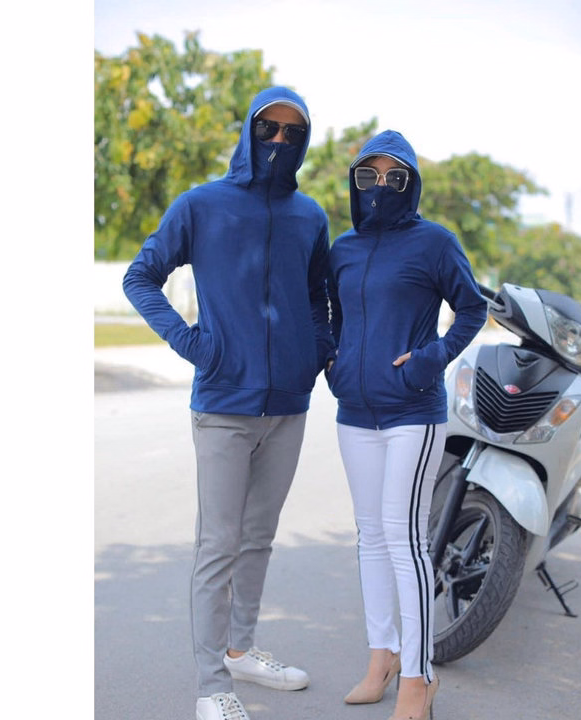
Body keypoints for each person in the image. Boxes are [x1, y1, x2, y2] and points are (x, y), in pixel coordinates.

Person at [122, 86, 334, 720]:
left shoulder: (309, 216)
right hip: (222, 403)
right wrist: (194, 345)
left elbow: (319, 296)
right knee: (218, 545)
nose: (279, 141)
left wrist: (315, 353)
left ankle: (241, 652)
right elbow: (140, 276)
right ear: (249, 131)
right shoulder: (201, 205)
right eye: (269, 128)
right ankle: (212, 686)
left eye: (292, 133)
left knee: (258, 538)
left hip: (289, 406)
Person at [326, 130, 488, 720]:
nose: (380, 185)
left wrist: (430, 359)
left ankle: (419, 678)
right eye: (368, 175)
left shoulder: (434, 242)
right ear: (355, 181)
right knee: (370, 535)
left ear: (410, 183)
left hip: (412, 413)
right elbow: (334, 315)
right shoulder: (342, 248)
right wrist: (333, 360)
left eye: (395, 176)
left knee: (405, 539)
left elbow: (472, 307)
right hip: (354, 412)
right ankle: (382, 657)